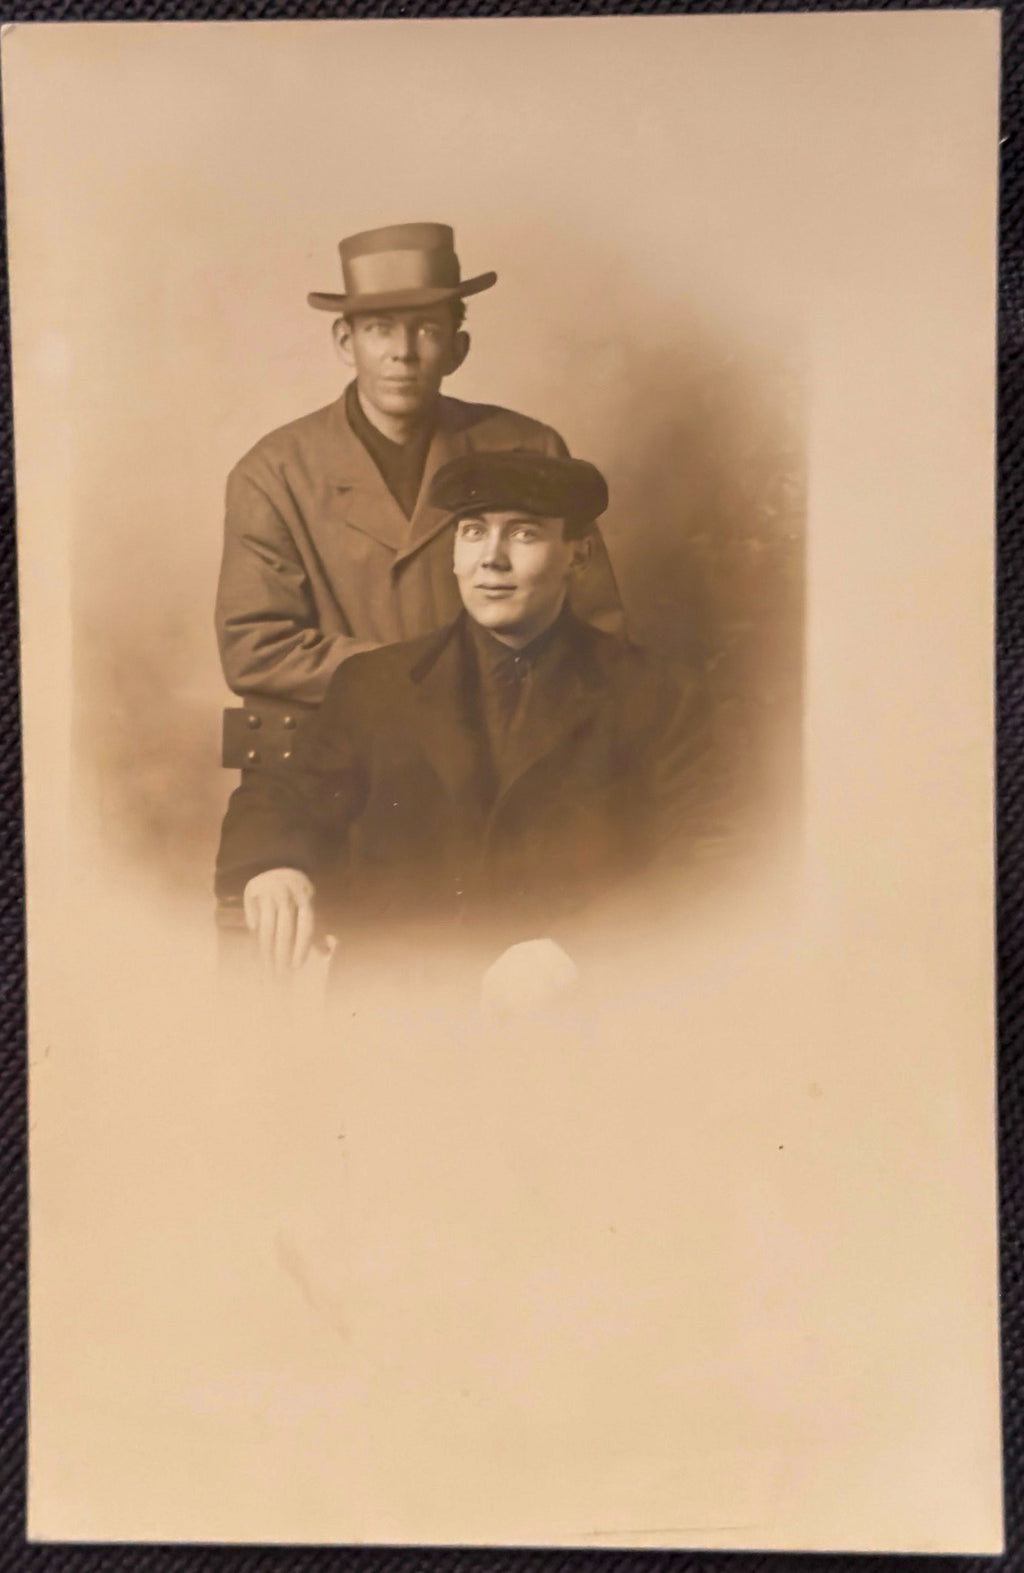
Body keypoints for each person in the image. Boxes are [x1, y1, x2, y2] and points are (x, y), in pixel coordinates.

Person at [215, 451, 712, 1011]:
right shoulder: (377, 685)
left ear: (579, 556)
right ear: (454, 553)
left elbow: (707, 857)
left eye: (523, 535)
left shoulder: (655, 694)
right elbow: (279, 794)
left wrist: (577, 950)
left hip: (574, 1013)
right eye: (474, 533)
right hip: (395, 1013)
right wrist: (274, 864)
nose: (491, 560)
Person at [215, 222, 622, 750]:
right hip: (345, 762)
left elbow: (598, 626)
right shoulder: (273, 472)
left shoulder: (530, 448)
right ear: (346, 342)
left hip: (504, 755)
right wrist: (429, 676)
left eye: (426, 330)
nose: (402, 352)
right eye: (380, 329)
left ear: (457, 349)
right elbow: (256, 648)